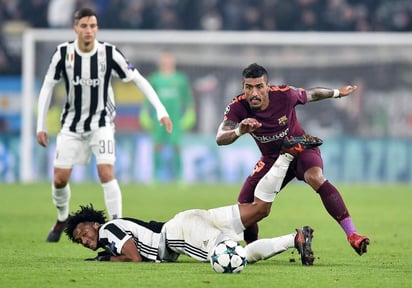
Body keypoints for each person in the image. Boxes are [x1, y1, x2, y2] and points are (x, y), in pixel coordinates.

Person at [64, 136, 321, 265]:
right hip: (189, 220)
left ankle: (292, 239)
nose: (85, 240)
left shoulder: (108, 231)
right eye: (80, 241)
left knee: (234, 257)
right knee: (260, 208)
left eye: (83, 232)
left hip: (177, 235)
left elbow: (134, 257)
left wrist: (106, 259)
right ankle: (286, 156)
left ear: (95, 224)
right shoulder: (109, 236)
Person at [36, 7, 172, 243]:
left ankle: (118, 227)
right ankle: (61, 217)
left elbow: (138, 79)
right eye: (84, 26)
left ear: (96, 28)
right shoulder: (63, 54)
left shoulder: (109, 53)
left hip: (102, 123)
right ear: (75, 27)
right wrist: (40, 124)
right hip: (71, 125)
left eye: (93, 26)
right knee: (59, 179)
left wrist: (161, 110)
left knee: (106, 172)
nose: (89, 30)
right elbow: (47, 87)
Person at [215, 63, 370, 256]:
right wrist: (239, 130)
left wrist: (337, 93)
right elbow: (220, 137)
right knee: (246, 207)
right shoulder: (238, 106)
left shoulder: (284, 95)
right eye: (249, 87)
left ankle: (353, 235)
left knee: (315, 177)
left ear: (268, 86)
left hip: (299, 150)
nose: (254, 93)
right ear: (243, 88)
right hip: (272, 159)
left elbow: (312, 94)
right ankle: (253, 250)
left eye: (259, 87)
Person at [139, 50, 195, 183]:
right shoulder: (155, 79)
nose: (166, 63)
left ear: (173, 62)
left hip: (175, 118)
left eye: (169, 60)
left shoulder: (180, 79)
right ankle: (155, 177)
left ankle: (180, 177)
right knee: (157, 145)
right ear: (160, 62)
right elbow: (147, 99)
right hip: (158, 118)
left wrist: (190, 113)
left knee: (177, 146)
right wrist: (144, 113)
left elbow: (188, 100)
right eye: (164, 60)